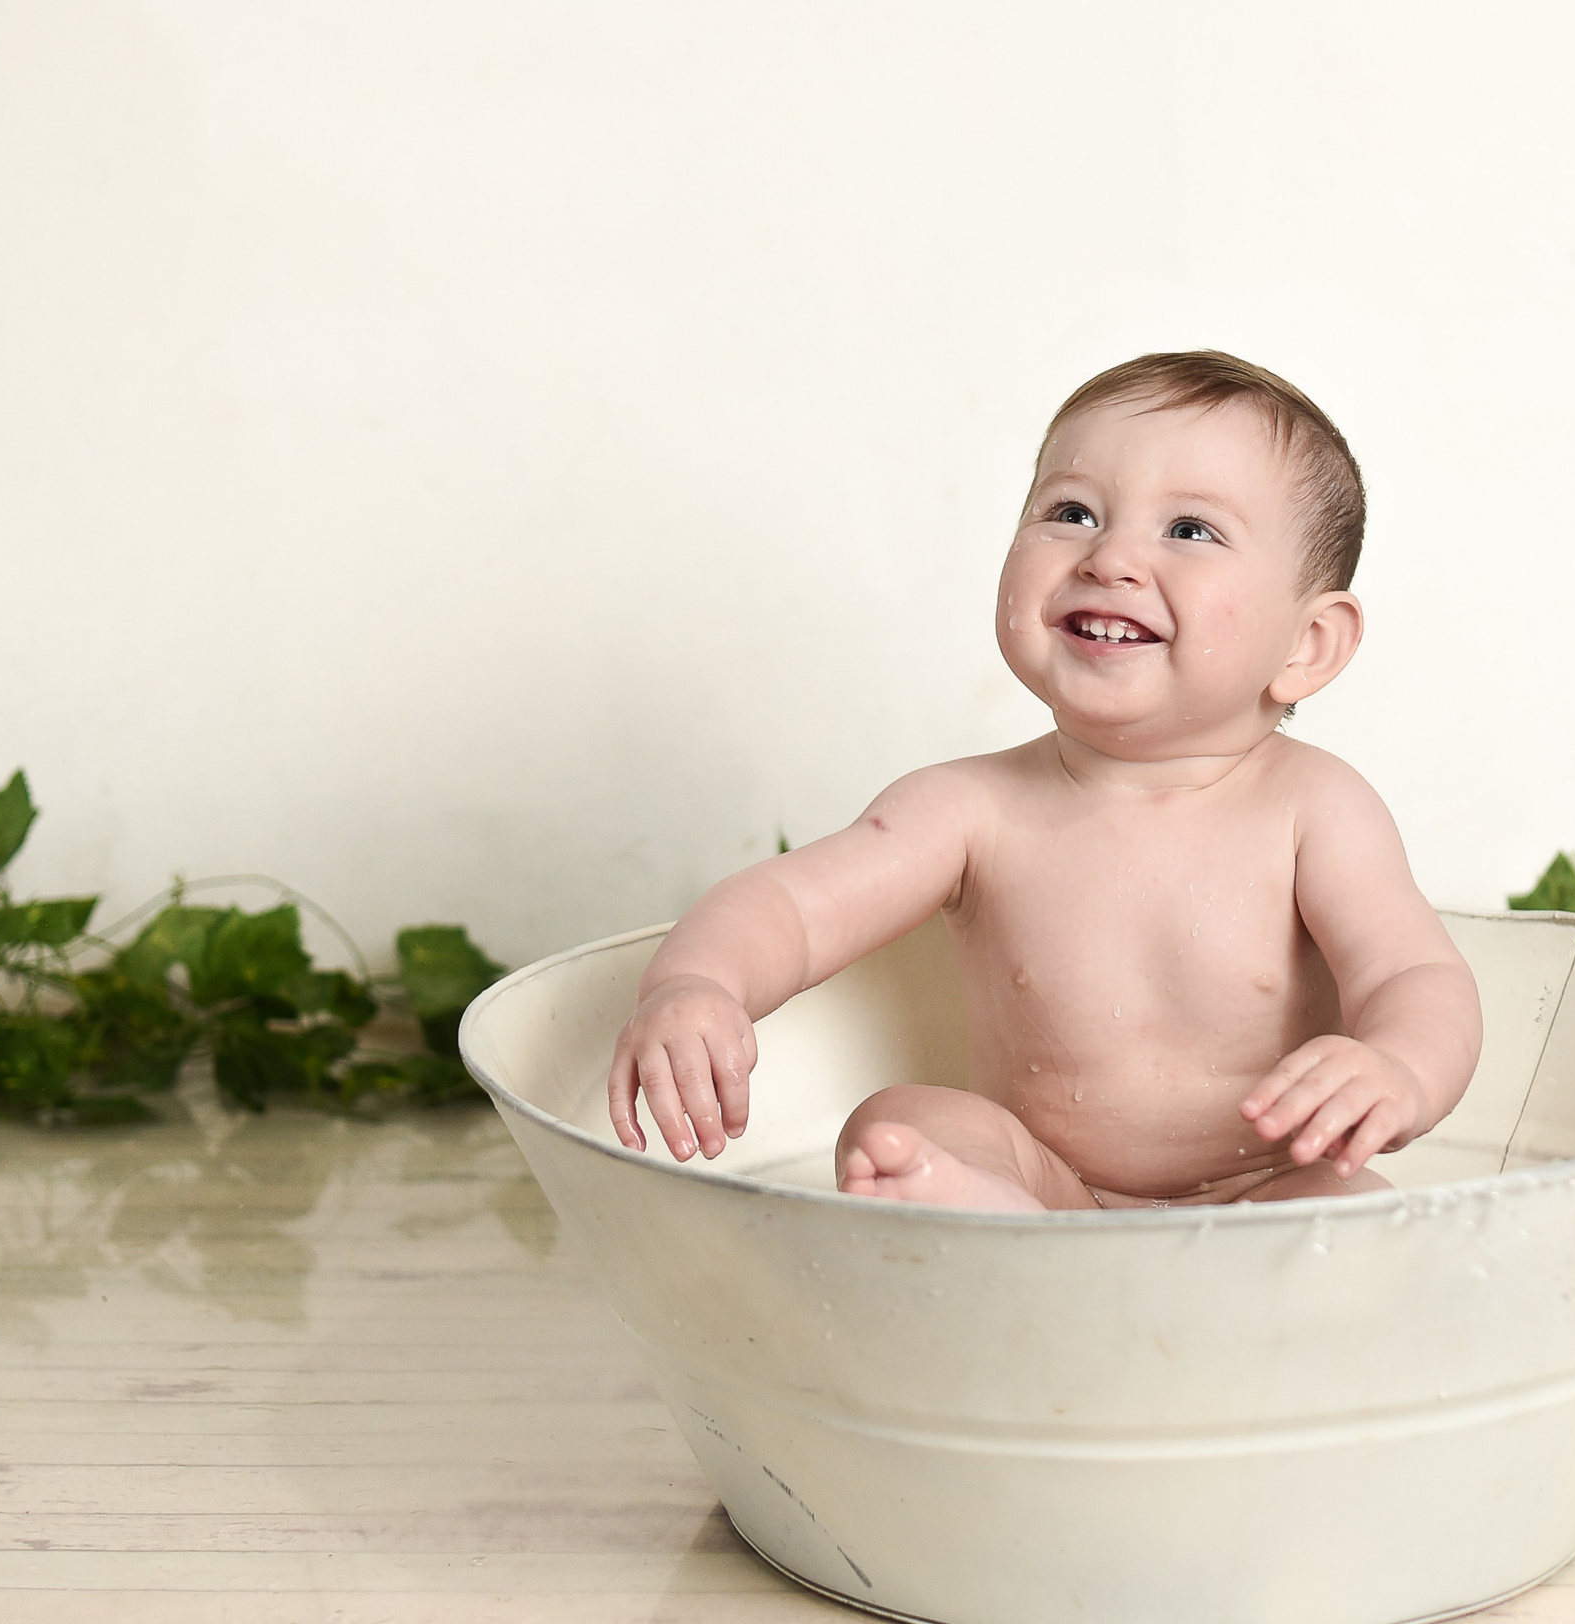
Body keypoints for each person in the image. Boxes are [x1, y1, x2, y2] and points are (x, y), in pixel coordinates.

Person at [607, 351, 1482, 1210]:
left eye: (1189, 530)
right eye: (1073, 511)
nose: (1110, 557)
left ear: (1307, 645)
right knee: (896, 1121)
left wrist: (1399, 1068)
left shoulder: (1316, 809)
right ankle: (990, 1216)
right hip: (1053, 1187)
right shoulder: (966, 809)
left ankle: (1047, 1248)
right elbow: (794, 909)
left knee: (1355, 1201)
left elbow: (1412, 974)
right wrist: (697, 984)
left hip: (1266, 1190)